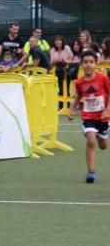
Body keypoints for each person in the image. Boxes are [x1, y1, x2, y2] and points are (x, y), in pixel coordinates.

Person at [66, 50, 110, 183]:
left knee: (102, 146)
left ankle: (100, 134)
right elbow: (79, 96)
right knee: (91, 140)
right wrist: (71, 109)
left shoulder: (102, 78)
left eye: (91, 62)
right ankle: (91, 171)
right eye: (85, 62)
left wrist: (107, 109)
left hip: (103, 116)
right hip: (88, 116)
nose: (88, 65)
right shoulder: (79, 83)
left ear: (95, 64)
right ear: (81, 65)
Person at [49, 35, 72, 106]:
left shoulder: (67, 48)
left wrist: (66, 61)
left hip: (66, 69)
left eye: (59, 40)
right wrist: (54, 61)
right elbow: (51, 63)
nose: (58, 42)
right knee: (60, 88)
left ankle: (67, 105)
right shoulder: (52, 50)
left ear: (62, 41)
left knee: (67, 87)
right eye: (56, 40)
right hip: (57, 69)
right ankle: (61, 105)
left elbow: (71, 59)